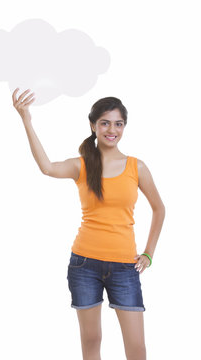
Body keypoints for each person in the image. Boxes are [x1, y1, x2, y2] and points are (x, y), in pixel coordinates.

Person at [12, 88, 165, 360]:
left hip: (124, 267)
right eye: (105, 122)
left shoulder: (136, 167)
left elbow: (159, 208)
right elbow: (46, 167)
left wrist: (149, 254)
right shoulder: (82, 165)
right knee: (91, 341)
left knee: (137, 349)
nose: (112, 129)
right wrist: (26, 119)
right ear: (93, 125)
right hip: (84, 264)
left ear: (124, 127)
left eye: (118, 123)